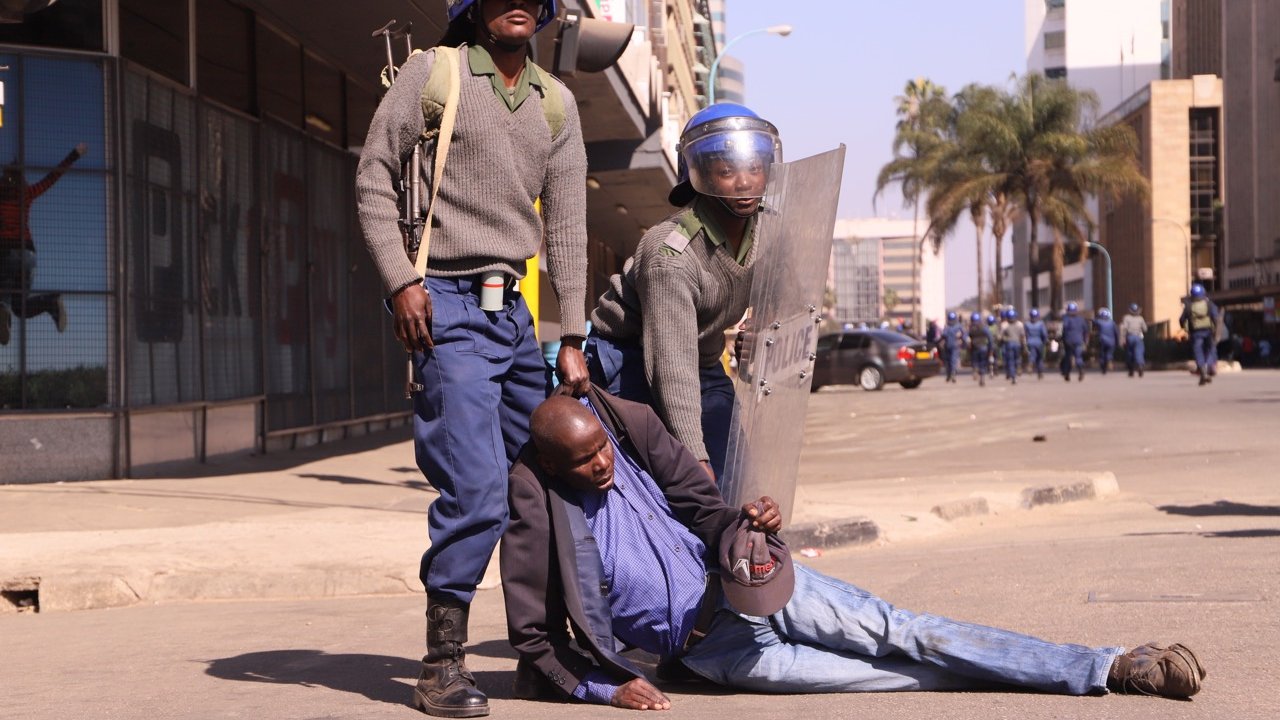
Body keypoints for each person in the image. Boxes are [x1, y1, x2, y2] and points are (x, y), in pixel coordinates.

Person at [501, 393, 1208, 709]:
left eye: (602, 448)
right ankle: (1065, 672)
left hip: (756, 586)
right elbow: (534, 637)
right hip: (716, 652)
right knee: (900, 677)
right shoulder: (547, 521)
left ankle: (1111, 666)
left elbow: (707, 512)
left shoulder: (631, 444)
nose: (603, 465)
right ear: (555, 466)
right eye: (585, 461)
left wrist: (751, 525)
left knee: (911, 633)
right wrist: (605, 686)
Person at [355, 1, 592, 716]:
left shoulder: (558, 103)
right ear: (476, 7)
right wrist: (401, 280)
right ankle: (441, 666)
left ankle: (539, 655)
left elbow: (571, 226)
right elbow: (372, 178)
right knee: (478, 491)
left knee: (544, 484)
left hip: (515, 317)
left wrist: (572, 336)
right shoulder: (436, 73)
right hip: (444, 309)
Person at [586, 102, 782, 481]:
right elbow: (670, 365)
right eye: (726, 172)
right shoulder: (671, 255)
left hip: (704, 361)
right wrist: (696, 458)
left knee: (735, 478)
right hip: (630, 362)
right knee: (660, 489)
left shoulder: (770, 232)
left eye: (754, 168)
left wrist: (762, 329)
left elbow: (786, 292)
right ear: (701, 176)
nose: (744, 182)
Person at [0, 142, 88, 345]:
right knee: (20, 307)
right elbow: (52, 177)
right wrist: (74, 154)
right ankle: (50, 302)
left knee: (3, 297)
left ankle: (3, 315)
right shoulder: (27, 193)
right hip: (28, 255)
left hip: (5, 252)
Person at [1179, 283, 1219, 386]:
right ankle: (1209, 367)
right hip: (1209, 331)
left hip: (1196, 332)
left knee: (1198, 352)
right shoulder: (1209, 304)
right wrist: (1216, 330)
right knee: (1210, 349)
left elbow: (1182, 319)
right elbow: (1216, 317)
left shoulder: (1189, 306)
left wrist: (1185, 328)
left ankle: (1202, 370)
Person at [1060, 302, 1088, 382]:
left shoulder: (1066, 318)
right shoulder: (1081, 319)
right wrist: (1085, 340)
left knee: (1068, 357)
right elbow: (1085, 330)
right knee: (1078, 357)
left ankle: (1067, 374)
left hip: (1068, 341)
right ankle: (1081, 370)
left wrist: (1062, 338)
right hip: (1079, 340)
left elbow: (1064, 329)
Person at [1120, 303, 1148, 378]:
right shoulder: (1140, 318)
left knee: (1130, 353)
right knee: (1139, 352)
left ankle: (1131, 370)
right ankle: (1140, 365)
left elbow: (1124, 328)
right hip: (1138, 337)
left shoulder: (1126, 317)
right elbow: (1145, 329)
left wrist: (1122, 338)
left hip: (1130, 337)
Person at [938, 311, 966, 383]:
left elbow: (943, 335)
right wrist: (963, 343)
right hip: (955, 345)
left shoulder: (947, 326)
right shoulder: (958, 326)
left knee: (949, 361)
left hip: (948, 345)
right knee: (953, 360)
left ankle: (949, 374)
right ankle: (952, 373)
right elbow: (964, 336)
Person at [1000, 308, 1026, 385]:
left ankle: (1013, 376)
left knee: (1010, 361)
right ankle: (1018, 367)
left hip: (1009, 344)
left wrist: (1003, 340)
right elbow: (1022, 336)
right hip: (1017, 344)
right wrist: (1024, 345)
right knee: (1017, 358)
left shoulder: (1004, 325)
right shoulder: (1020, 324)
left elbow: (1000, 337)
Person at [1092, 307, 1119, 375]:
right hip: (1111, 341)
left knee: (1102, 354)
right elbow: (1116, 333)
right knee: (1109, 353)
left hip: (1102, 341)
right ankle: (1109, 360)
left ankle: (1103, 367)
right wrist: (1117, 342)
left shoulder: (1099, 322)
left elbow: (1094, 321)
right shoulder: (1112, 323)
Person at [1024, 308, 1049, 380]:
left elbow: (1025, 334)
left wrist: (1026, 342)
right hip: (1039, 342)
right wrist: (1045, 341)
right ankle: (1040, 372)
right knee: (1040, 358)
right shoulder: (1041, 324)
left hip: (1030, 342)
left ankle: (1031, 364)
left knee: (1032, 355)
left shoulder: (1027, 324)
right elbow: (1044, 334)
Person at [967, 312, 991, 387]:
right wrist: (991, 348)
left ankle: (975, 370)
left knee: (975, 362)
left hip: (974, 348)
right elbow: (990, 338)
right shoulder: (984, 327)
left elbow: (966, 338)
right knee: (983, 363)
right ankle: (982, 378)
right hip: (983, 347)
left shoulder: (970, 328)